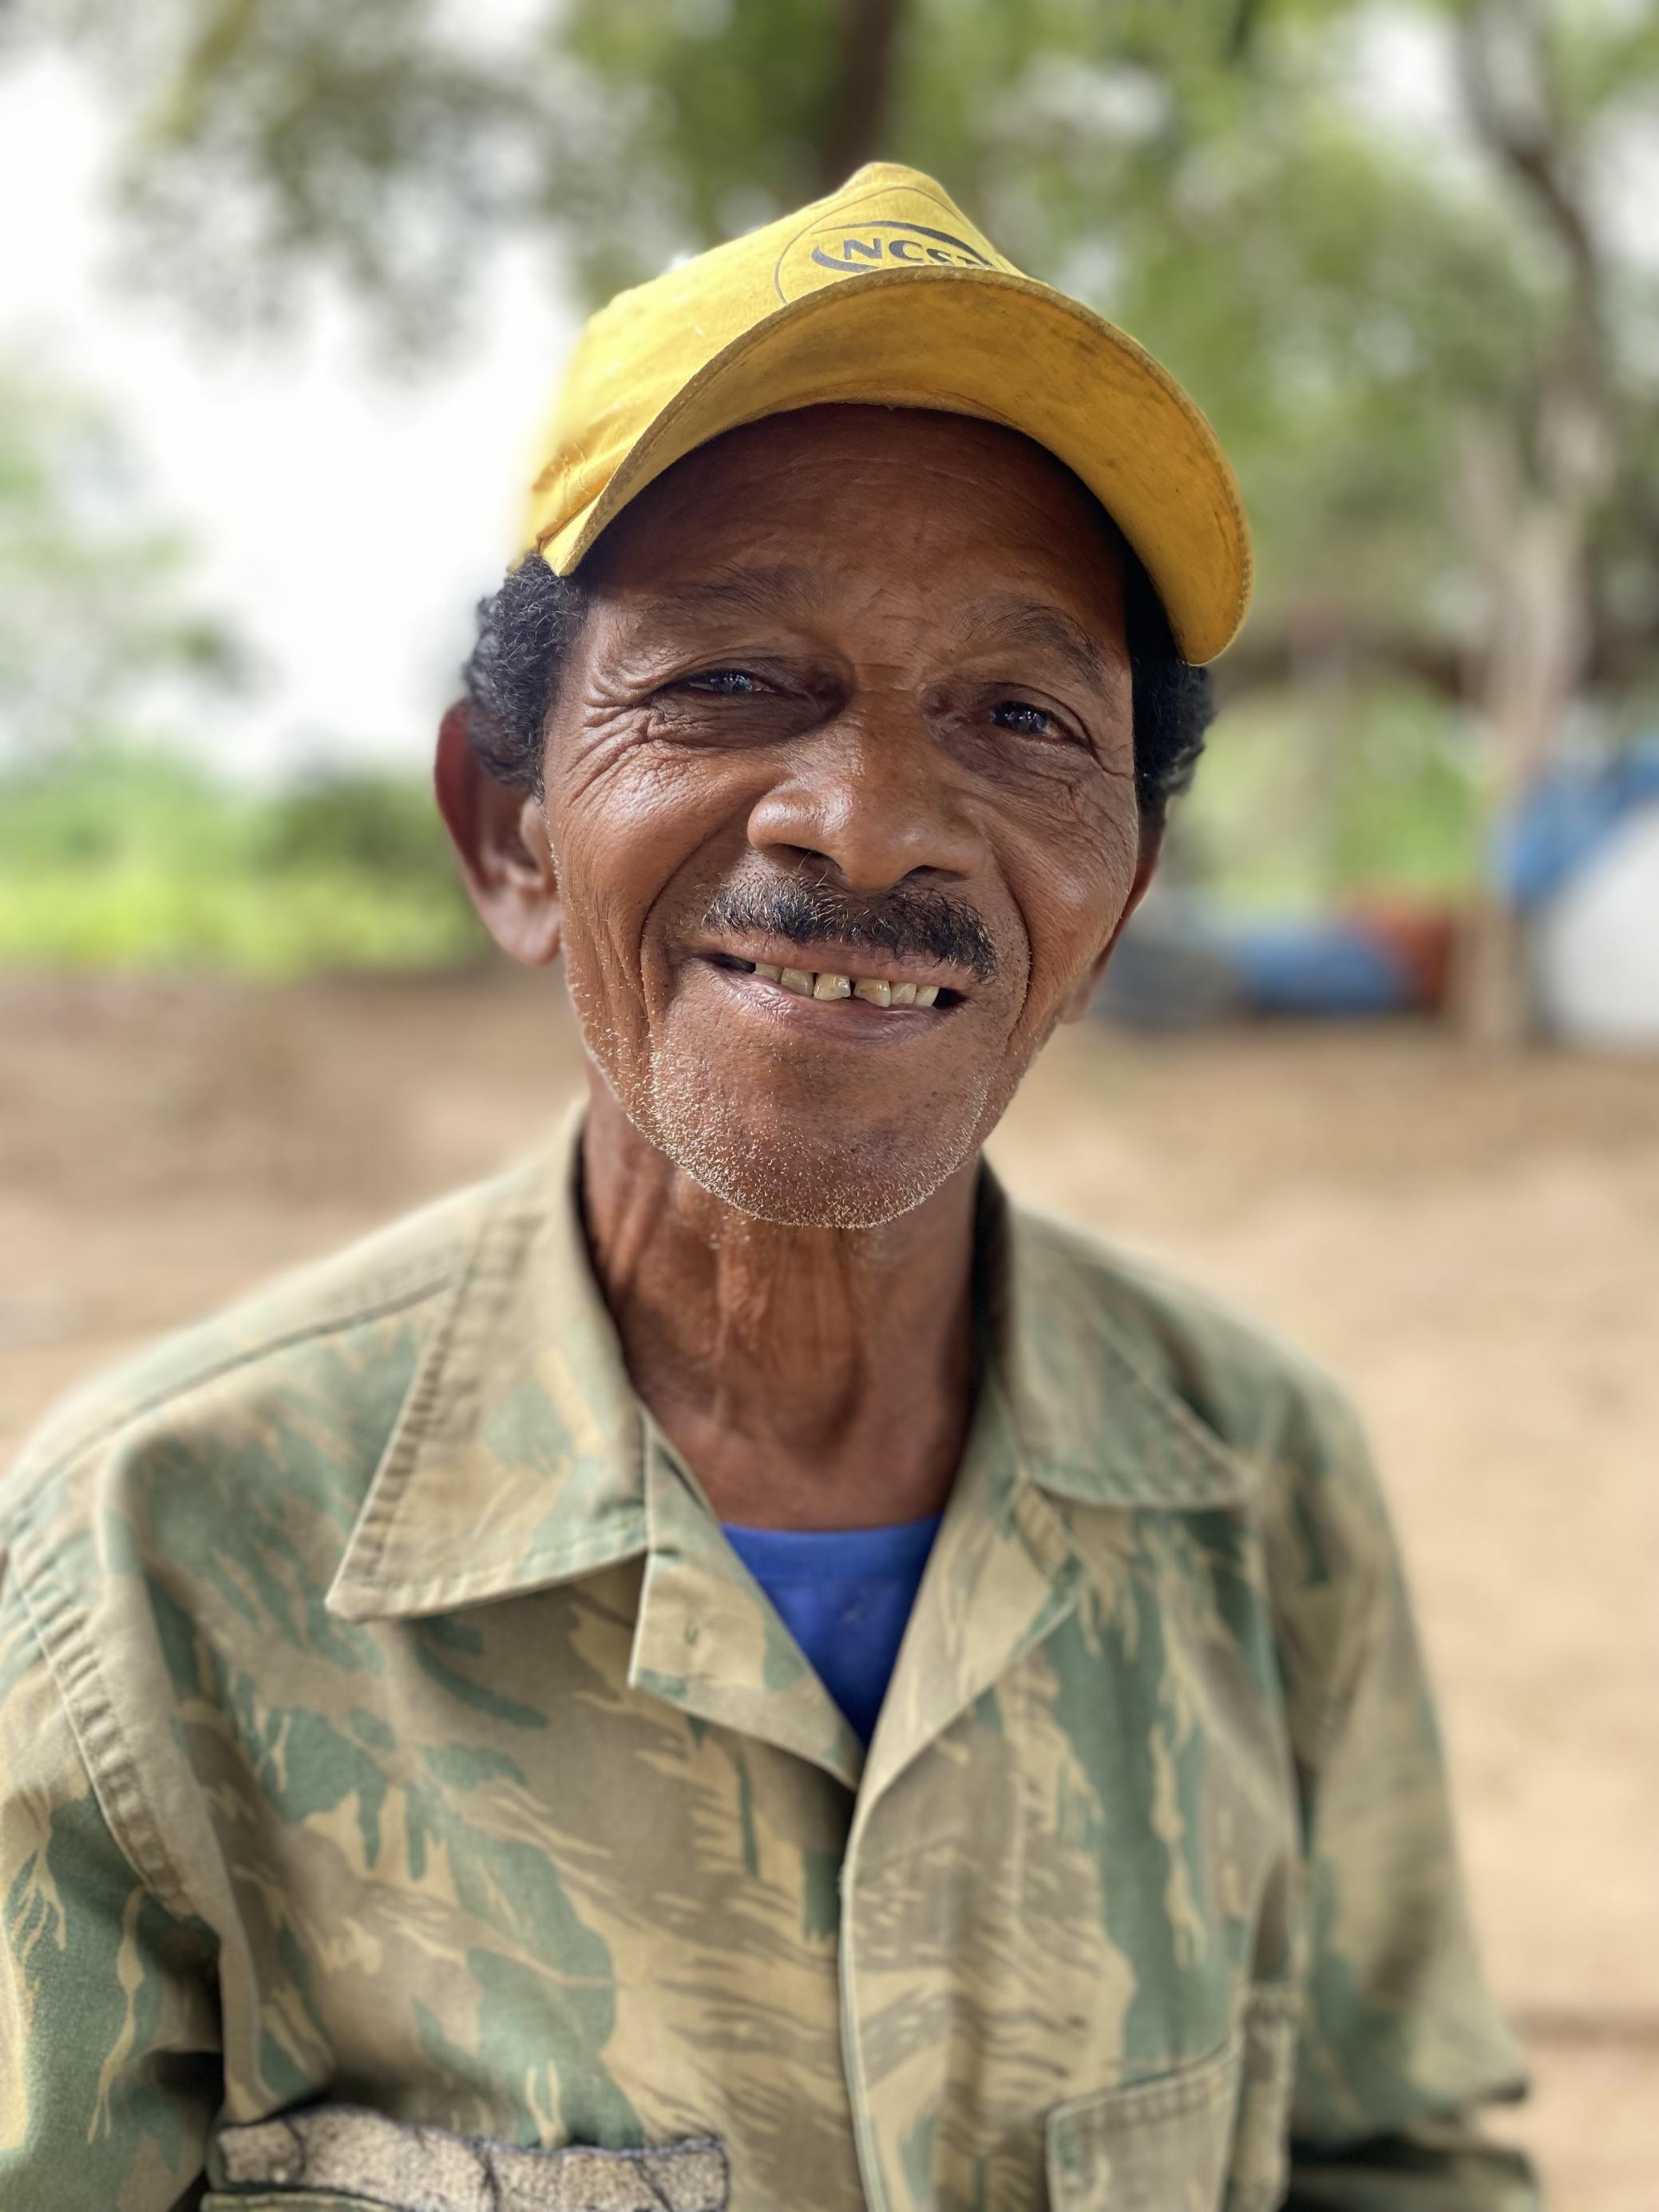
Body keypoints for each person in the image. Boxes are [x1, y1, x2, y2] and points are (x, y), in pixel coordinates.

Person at [0, 164, 1535, 2212]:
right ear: (511, 830)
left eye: (1016, 717)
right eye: (729, 681)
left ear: (1117, 900)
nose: (875, 821)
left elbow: (1395, 2164)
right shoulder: (149, 1560)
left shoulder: (1262, 1488)